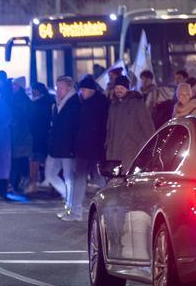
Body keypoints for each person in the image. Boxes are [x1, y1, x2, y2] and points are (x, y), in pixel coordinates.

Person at [69, 75, 109, 222]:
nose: (82, 92)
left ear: (91, 90)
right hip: (82, 148)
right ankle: (76, 211)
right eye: (81, 90)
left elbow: (103, 128)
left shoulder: (101, 104)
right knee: (79, 179)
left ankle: (105, 208)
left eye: (84, 90)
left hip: (95, 149)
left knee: (99, 179)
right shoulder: (81, 103)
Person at [45, 77, 81, 217]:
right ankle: (69, 198)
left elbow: (74, 127)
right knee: (50, 174)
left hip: (68, 146)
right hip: (57, 145)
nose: (58, 90)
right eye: (57, 87)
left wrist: (73, 147)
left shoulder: (74, 103)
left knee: (68, 177)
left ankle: (70, 206)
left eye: (60, 88)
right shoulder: (58, 103)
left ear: (69, 88)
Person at [106, 76, 155, 171]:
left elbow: (147, 127)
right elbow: (110, 129)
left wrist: (150, 147)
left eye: (122, 88)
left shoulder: (137, 104)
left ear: (127, 89)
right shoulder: (113, 105)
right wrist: (108, 146)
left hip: (132, 150)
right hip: (115, 152)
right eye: (117, 88)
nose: (118, 90)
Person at [26, 83, 54, 193]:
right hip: (39, 134)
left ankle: (34, 183)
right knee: (35, 159)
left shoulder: (40, 103)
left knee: (35, 159)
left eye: (34, 90)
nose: (32, 92)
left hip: (39, 135)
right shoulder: (46, 101)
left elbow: (36, 119)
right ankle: (37, 183)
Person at [10, 77, 33, 192]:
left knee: (20, 160)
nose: (13, 87)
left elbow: (24, 116)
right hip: (17, 134)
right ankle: (18, 184)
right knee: (18, 160)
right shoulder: (17, 98)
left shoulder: (22, 100)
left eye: (15, 85)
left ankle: (21, 182)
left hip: (21, 135)